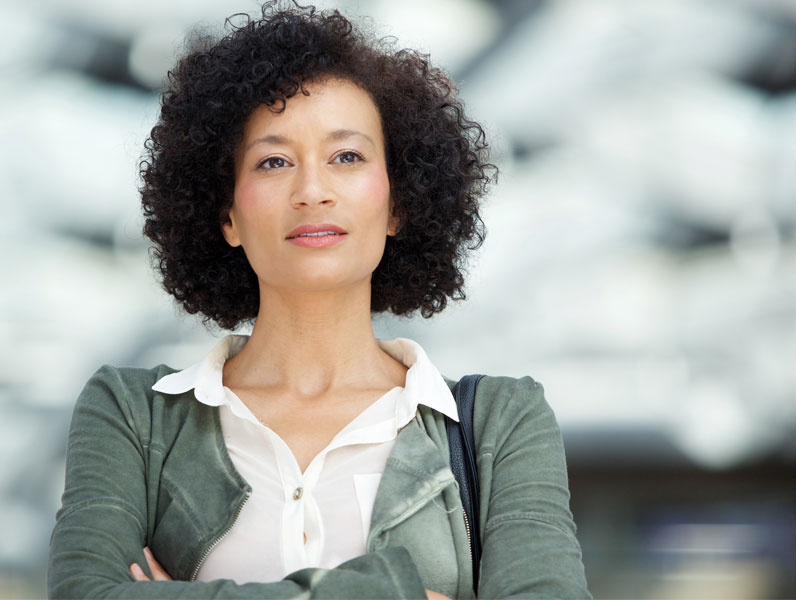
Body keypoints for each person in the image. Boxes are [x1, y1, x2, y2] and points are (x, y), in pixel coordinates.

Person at [48, 2, 590, 598]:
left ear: (398, 203)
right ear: (226, 212)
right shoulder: (132, 415)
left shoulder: (500, 423)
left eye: (346, 157)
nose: (312, 191)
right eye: (274, 161)